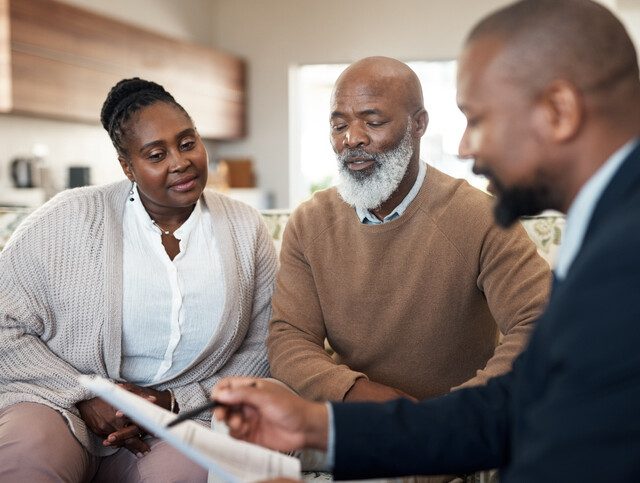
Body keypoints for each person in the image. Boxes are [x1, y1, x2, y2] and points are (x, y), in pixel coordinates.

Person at [212, 0, 640, 481]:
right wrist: (325, 426)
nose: (464, 148)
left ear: (559, 111)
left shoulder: (619, 253)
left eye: (478, 119)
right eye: (339, 123)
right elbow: (521, 399)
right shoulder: (605, 228)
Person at [0, 78, 277, 481]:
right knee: (27, 456)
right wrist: (86, 394)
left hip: (177, 420)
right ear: (127, 166)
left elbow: (263, 344)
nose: (180, 162)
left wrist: (172, 401)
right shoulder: (64, 219)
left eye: (187, 143)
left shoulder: (245, 228)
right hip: (58, 404)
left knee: (185, 472)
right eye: (155, 154)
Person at [268, 56, 550, 403]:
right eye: (339, 126)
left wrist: (455, 415)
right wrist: (367, 397)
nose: (352, 139)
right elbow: (289, 338)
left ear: (418, 124)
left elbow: (539, 323)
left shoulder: (481, 217)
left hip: (458, 431)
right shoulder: (309, 222)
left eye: (373, 122)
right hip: (358, 419)